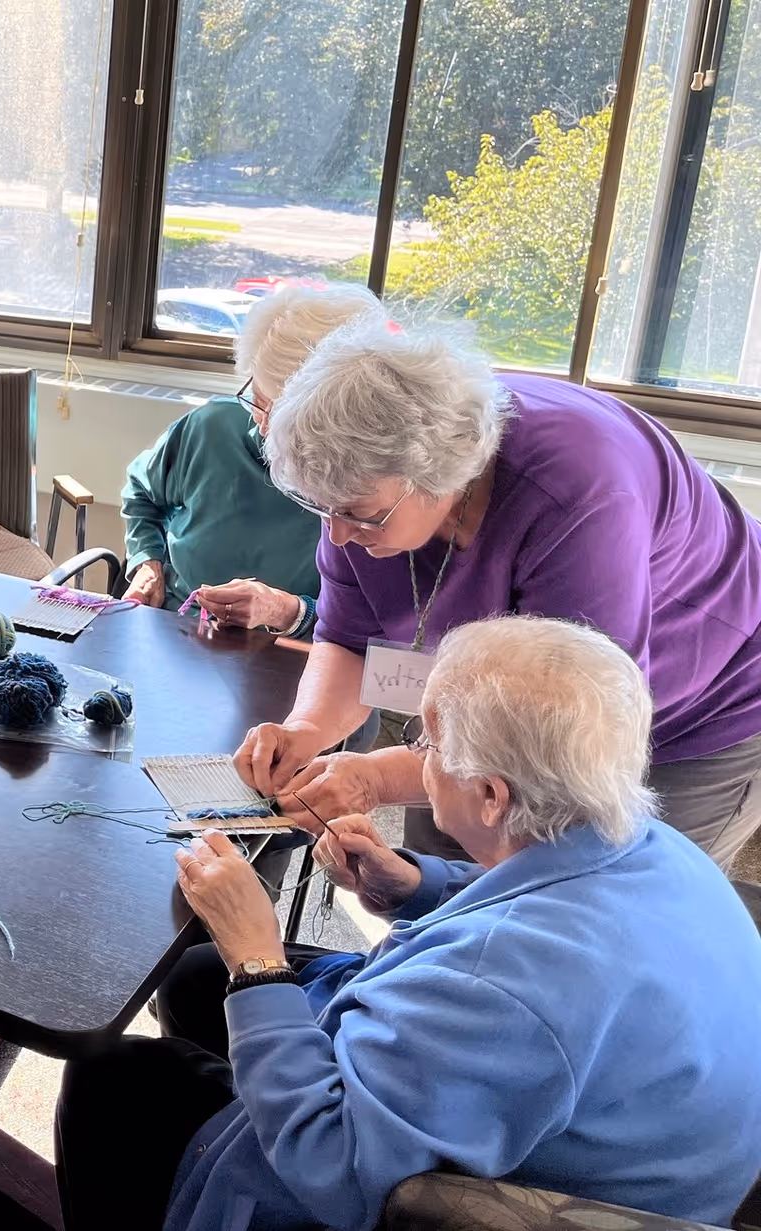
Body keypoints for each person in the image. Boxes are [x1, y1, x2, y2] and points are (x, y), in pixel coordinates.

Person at [57, 616, 761, 1231]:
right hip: (639, 1155)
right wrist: (422, 885)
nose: (418, 761)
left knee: (110, 1078)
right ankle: (249, 1085)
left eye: (427, 745)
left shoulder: (500, 985)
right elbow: (544, 903)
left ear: (490, 795)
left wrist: (257, 957)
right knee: (196, 975)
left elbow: (335, 1170)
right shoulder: (651, 843)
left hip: (477, 1204)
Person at [236, 323, 761, 866]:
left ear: (436, 479)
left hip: (703, 703)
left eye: (357, 515)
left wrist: (376, 779)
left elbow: (561, 730)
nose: (339, 535)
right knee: (444, 871)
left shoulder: (576, 496)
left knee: (604, 891)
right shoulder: (362, 485)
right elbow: (348, 640)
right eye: (323, 509)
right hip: (490, 705)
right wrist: (307, 730)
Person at [122, 284, 385, 634]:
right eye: (258, 399)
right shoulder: (210, 428)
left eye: (278, 414)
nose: (262, 427)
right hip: (175, 626)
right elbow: (142, 495)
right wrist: (148, 563)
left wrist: (286, 612)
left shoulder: (363, 491)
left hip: (281, 655)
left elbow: (364, 626)